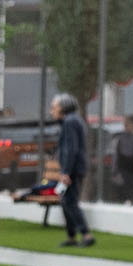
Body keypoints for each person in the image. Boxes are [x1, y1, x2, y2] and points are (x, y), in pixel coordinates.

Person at [53, 93, 93, 245]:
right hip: (74, 168)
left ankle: (86, 234)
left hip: (73, 170)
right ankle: (71, 236)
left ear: (63, 107)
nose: (52, 111)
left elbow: (71, 148)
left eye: (54, 107)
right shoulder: (72, 121)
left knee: (70, 202)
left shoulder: (70, 122)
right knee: (66, 201)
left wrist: (66, 172)